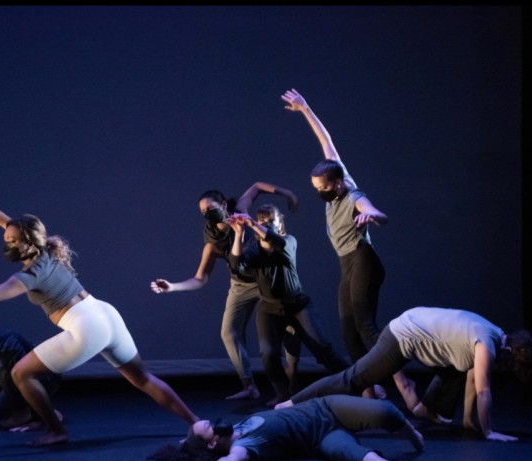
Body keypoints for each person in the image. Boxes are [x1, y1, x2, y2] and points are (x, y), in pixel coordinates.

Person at [0, 180, 200, 447]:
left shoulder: (31, 274)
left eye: (13, 242)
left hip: (86, 326)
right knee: (143, 378)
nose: (7, 243)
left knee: (20, 372)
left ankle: (56, 430)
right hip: (106, 313)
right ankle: (196, 424)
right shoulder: (43, 250)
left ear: (28, 244)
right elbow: (7, 222)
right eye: (7, 239)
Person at [282, 88, 413, 402]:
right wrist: (305, 109)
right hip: (348, 265)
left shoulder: (352, 193)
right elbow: (326, 141)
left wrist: (372, 216)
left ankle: (404, 384)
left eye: (323, 187)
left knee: (366, 326)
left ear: (338, 183)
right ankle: (368, 389)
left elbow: (377, 212)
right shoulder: (337, 175)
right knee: (348, 332)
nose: (320, 193)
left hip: (364, 260)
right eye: (316, 188)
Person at [276, 307, 532, 442]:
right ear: (511, 352)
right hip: (402, 336)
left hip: (413, 324)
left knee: (458, 370)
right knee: (352, 379)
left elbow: (472, 378)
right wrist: (489, 432)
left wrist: (469, 422)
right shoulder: (487, 343)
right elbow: (483, 390)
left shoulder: (494, 332)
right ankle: (291, 403)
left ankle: (425, 406)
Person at [150, 183, 302, 400]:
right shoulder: (213, 242)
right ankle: (249, 386)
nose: (207, 214)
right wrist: (172, 286)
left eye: (210, 208)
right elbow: (200, 278)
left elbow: (257, 187)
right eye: (203, 211)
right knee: (229, 332)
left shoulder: (240, 208)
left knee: (285, 328)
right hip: (241, 284)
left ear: (223, 205)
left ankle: (292, 371)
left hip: (266, 279)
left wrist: (288, 193)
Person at [226, 204, 350, 406]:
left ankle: (358, 383)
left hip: (298, 305)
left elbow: (276, 241)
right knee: (269, 353)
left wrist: (254, 224)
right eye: (262, 220)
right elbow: (236, 265)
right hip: (270, 308)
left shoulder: (289, 241)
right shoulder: (253, 248)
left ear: (280, 225)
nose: (266, 224)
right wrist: (239, 233)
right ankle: (282, 394)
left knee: (322, 348)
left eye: (270, 221)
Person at [147, 394, 424, 461]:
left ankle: (411, 432)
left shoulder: (237, 428)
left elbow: (190, 444)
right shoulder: (243, 447)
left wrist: (185, 445)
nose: (212, 421)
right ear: (212, 442)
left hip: (325, 408)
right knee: (345, 454)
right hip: (321, 439)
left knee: (385, 412)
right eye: (208, 426)